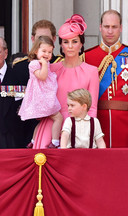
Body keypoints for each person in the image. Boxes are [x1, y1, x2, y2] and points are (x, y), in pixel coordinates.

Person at [84, 9, 128, 148]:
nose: (110, 31)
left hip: (126, 127)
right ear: (100, 28)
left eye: (114, 27)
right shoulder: (87, 57)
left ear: (121, 28)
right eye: (107, 27)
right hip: (96, 125)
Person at [33, 14, 99, 149]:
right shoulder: (50, 69)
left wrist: (89, 132)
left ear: (81, 44)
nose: (70, 46)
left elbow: (92, 108)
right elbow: (39, 95)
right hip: (51, 126)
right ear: (60, 45)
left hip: (79, 128)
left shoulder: (91, 71)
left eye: (74, 41)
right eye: (66, 42)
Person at [12, 19, 63, 146]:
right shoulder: (20, 66)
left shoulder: (61, 64)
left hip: (54, 124)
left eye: (47, 38)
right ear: (33, 39)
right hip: (28, 126)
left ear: (54, 39)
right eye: (40, 38)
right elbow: (16, 98)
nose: (43, 42)